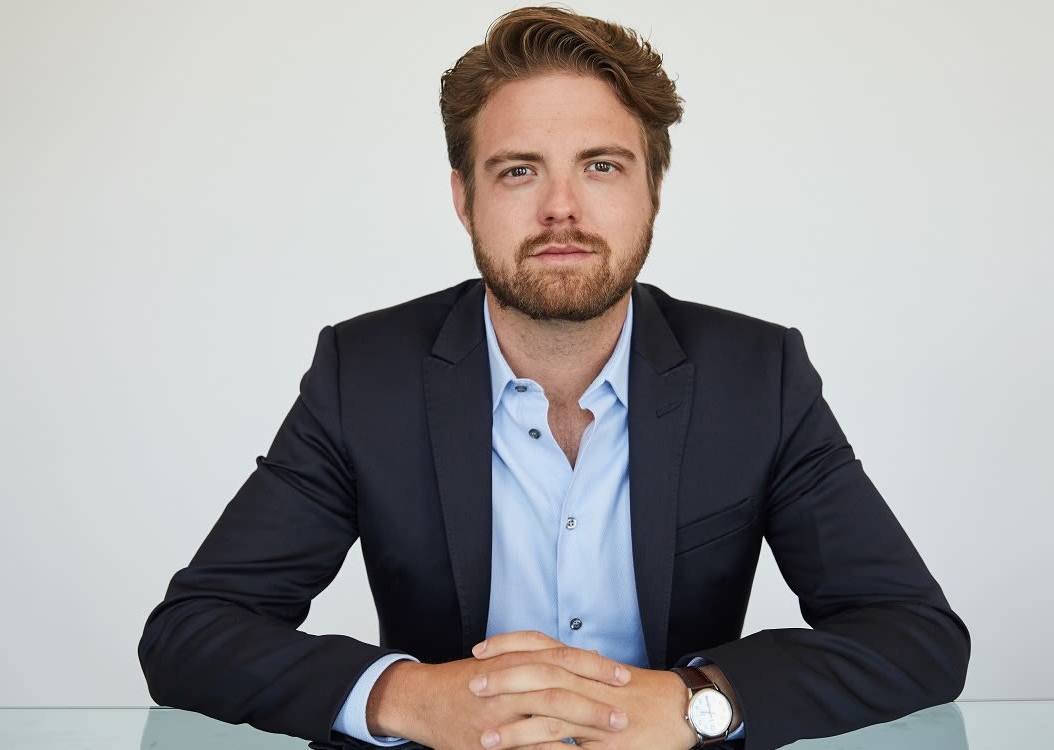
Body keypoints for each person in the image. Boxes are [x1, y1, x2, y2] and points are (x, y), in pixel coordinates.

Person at [138, 7, 969, 750]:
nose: (561, 208)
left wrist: (694, 705)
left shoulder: (758, 375)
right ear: (464, 198)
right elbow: (192, 634)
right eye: (519, 170)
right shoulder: (366, 375)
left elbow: (915, 635)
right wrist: (408, 697)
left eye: (602, 166)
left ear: (653, 191)